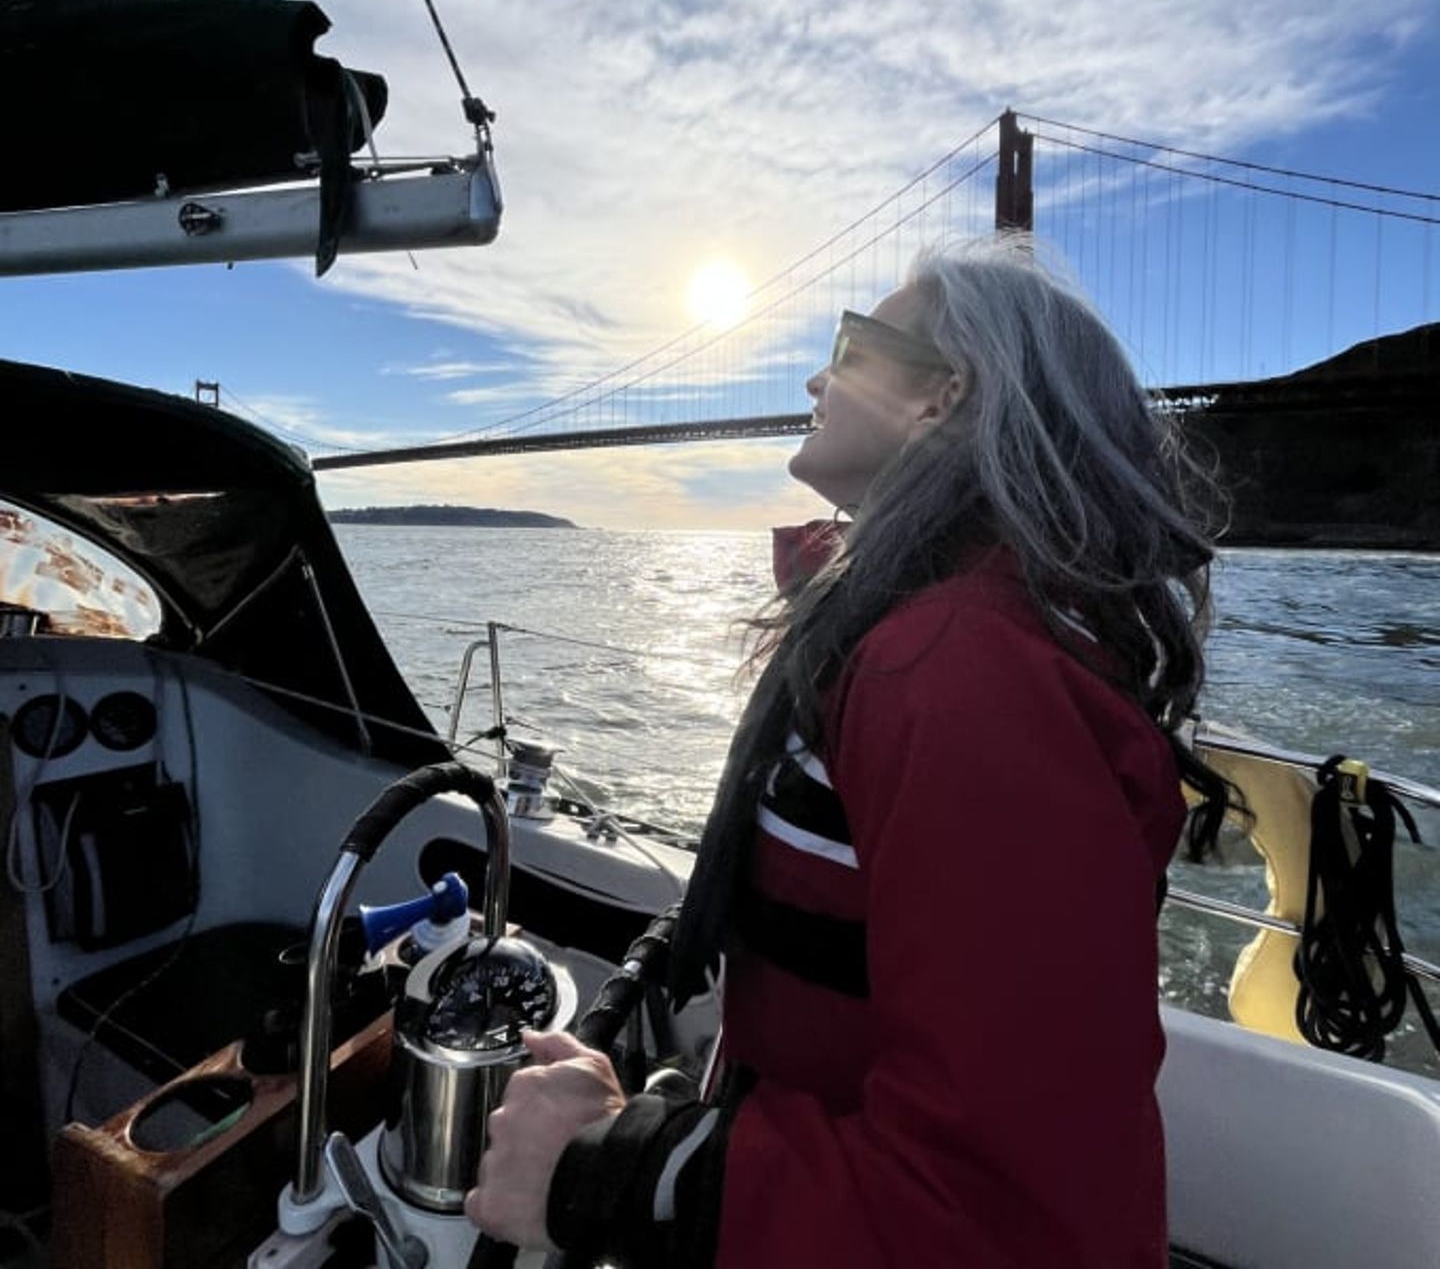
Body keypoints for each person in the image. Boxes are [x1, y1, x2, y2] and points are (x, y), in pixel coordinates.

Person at [467, 235, 1232, 1267]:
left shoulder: (961, 681)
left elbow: (1013, 1217)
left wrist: (613, 1168)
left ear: (941, 398)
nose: (817, 375)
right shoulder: (929, 637)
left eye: (854, 345)